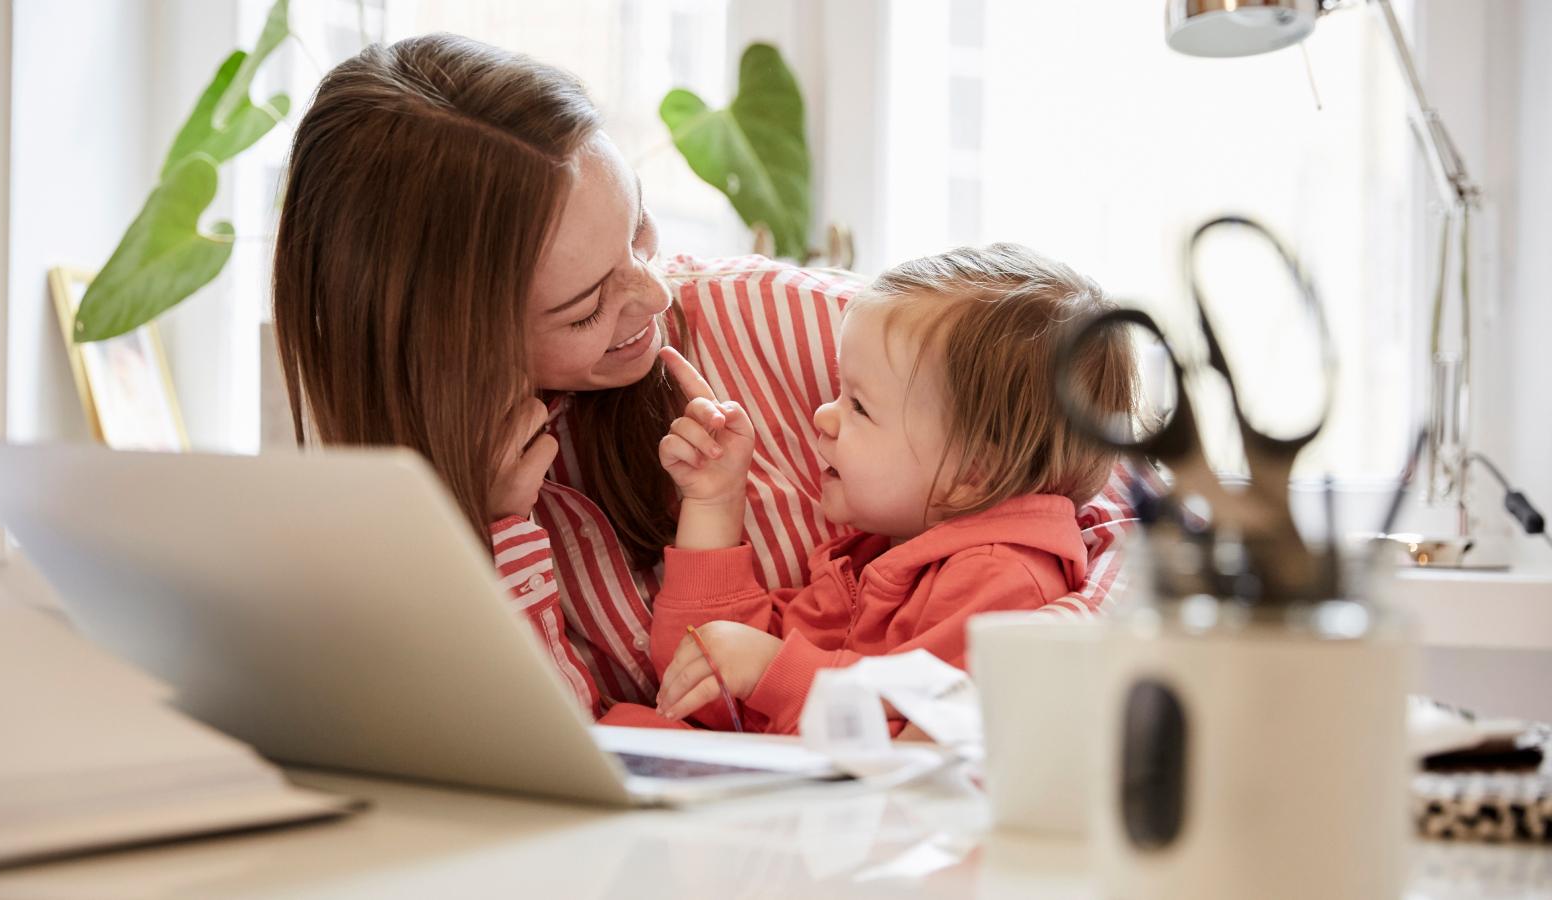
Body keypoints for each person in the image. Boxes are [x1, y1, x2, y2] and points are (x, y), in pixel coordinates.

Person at [272, 34, 1138, 721]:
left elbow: (1108, 503)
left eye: (640, 233)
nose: (655, 293)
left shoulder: (799, 327)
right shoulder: (398, 510)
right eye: (583, 308)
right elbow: (559, 752)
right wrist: (504, 528)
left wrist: (1004, 680)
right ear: (448, 343)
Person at [646, 244, 1136, 733]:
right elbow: (703, 688)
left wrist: (776, 668)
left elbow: (922, 734)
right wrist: (714, 501)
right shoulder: (874, 556)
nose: (823, 415)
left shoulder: (998, 577)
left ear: (972, 476)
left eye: (858, 406)